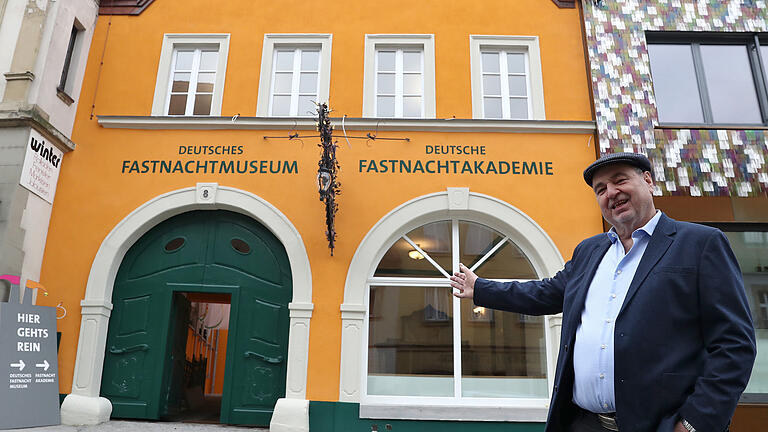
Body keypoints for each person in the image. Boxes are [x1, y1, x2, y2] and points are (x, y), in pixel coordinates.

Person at [450, 152, 756, 432]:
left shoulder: (700, 244)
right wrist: (480, 288)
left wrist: (694, 423)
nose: (611, 192)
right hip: (585, 423)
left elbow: (734, 345)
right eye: (600, 189)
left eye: (620, 180)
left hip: (659, 425)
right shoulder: (590, 250)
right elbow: (546, 293)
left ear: (648, 181)